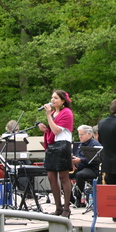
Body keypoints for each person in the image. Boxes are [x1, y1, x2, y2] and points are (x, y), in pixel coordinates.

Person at [38, 90, 74, 218]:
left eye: (56, 98)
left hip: (63, 145)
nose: (52, 100)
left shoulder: (66, 113)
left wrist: (48, 116)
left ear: (63, 101)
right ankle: (58, 207)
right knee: (51, 177)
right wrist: (45, 129)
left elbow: (57, 130)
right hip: (53, 146)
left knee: (64, 177)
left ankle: (66, 208)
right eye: (52, 98)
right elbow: (52, 131)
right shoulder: (53, 113)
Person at [70, 125, 101, 207]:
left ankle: (79, 198)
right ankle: (70, 198)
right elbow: (77, 155)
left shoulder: (95, 144)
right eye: (79, 135)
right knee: (63, 174)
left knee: (79, 175)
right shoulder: (81, 144)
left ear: (89, 134)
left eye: (81, 134)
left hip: (91, 169)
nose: (79, 137)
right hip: (79, 167)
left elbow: (95, 160)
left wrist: (80, 160)